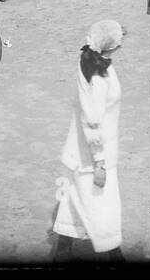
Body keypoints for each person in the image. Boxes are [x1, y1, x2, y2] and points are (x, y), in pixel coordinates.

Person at [51, 20, 128, 263]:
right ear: (108, 45)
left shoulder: (92, 61)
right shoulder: (96, 75)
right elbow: (92, 122)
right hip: (93, 152)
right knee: (103, 204)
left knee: (76, 195)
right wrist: (99, 163)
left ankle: (63, 246)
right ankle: (114, 253)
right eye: (118, 40)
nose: (122, 43)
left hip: (81, 149)